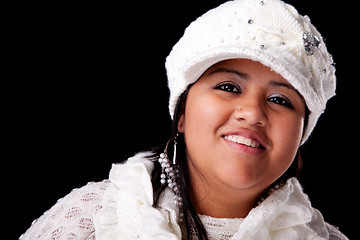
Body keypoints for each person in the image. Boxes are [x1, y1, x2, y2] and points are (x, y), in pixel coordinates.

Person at [20, 0, 348, 239]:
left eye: (280, 99)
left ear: (302, 133)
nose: (252, 113)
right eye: (228, 87)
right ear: (181, 114)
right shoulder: (91, 221)